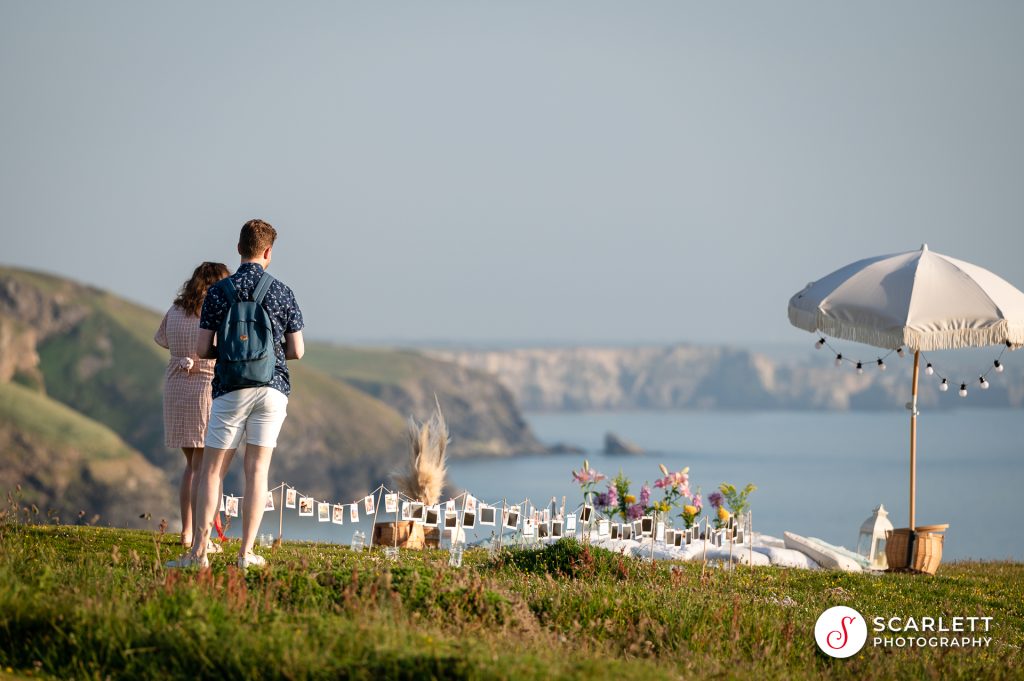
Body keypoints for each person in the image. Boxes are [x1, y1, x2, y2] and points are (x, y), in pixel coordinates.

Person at [168, 219, 304, 570]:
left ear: (239, 248)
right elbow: (298, 351)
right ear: (268, 251)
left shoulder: (217, 292)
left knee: (212, 471)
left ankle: (198, 554)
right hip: (272, 389)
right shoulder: (282, 291)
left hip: (230, 389)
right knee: (257, 471)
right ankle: (246, 554)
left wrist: (230, 355)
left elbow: (202, 349)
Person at [154, 262, 230, 549]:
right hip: (204, 388)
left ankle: (187, 531)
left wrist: (183, 355)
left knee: (191, 466)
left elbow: (161, 339)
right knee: (204, 467)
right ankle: (202, 536)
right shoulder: (214, 313)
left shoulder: (175, 311)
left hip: (176, 386)